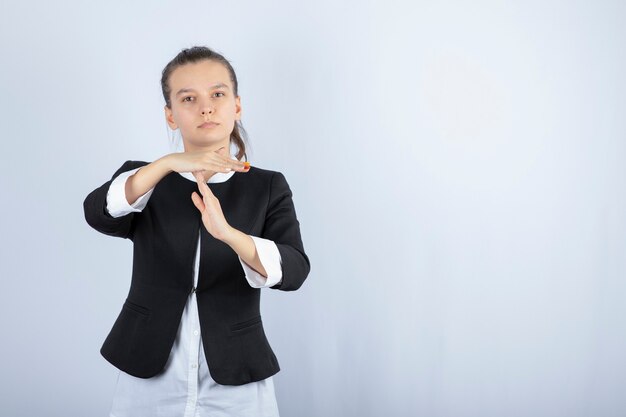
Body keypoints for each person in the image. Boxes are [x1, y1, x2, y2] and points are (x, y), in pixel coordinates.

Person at [82, 46, 311, 417]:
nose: (206, 107)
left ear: (236, 106)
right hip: (148, 370)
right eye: (189, 98)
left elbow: (295, 270)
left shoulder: (267, 186)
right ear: (171, 116)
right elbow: (99, 213)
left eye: (217, 95)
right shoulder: (146, 178)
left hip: (237, 374)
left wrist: (230, 235)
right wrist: (169, 164)